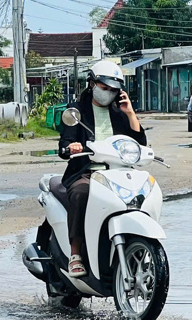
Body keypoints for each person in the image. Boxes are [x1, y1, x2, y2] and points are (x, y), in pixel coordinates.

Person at [58, 60, 148, 277]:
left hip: (118, 173)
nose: (107, 93)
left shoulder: (119, 113)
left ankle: (141, 245)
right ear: (92, 83)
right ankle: (76, 253)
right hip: (87, 172)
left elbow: (140, 145)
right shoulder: (76, 112)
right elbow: (64, 144)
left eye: (113, 90)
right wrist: (72, 146)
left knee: (143, 192)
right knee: (81, 193)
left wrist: (130, 113)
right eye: (104, 88)